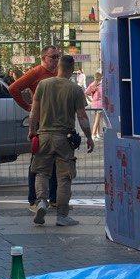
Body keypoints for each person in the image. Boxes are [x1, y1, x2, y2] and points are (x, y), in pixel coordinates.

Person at [28, 53, 93, 227]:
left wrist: (32, 130)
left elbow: (34, 111)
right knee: (64, 177)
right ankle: (62, 216)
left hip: (44, 136)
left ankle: (41, 202)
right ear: (72, 69)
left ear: (58, 67)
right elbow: (82, 117)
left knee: (42, 172)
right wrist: (89, 137)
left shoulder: (43, 84)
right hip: (64, 138)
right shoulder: (75, 89)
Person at [10, 46, 61, 207]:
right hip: (40, 122)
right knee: (38, 160)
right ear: (43, 58)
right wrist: (27, 106)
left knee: (56, 159)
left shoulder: (58, 72)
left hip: (56, 121)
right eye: (53, 57)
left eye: (58, 56)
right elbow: (13, 88)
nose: (56, 60)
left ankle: (54, 198)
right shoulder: (36, 72)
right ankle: (33, 198)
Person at [85, 72, 105, 140]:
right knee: (97, 120)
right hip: (99, 104)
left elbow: (86, 93)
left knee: (97, 120)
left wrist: (91, 99)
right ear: (101, 77)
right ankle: (93, 134)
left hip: (94, 104)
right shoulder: (101, 85)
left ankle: (97, 134)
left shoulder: (92, 84)